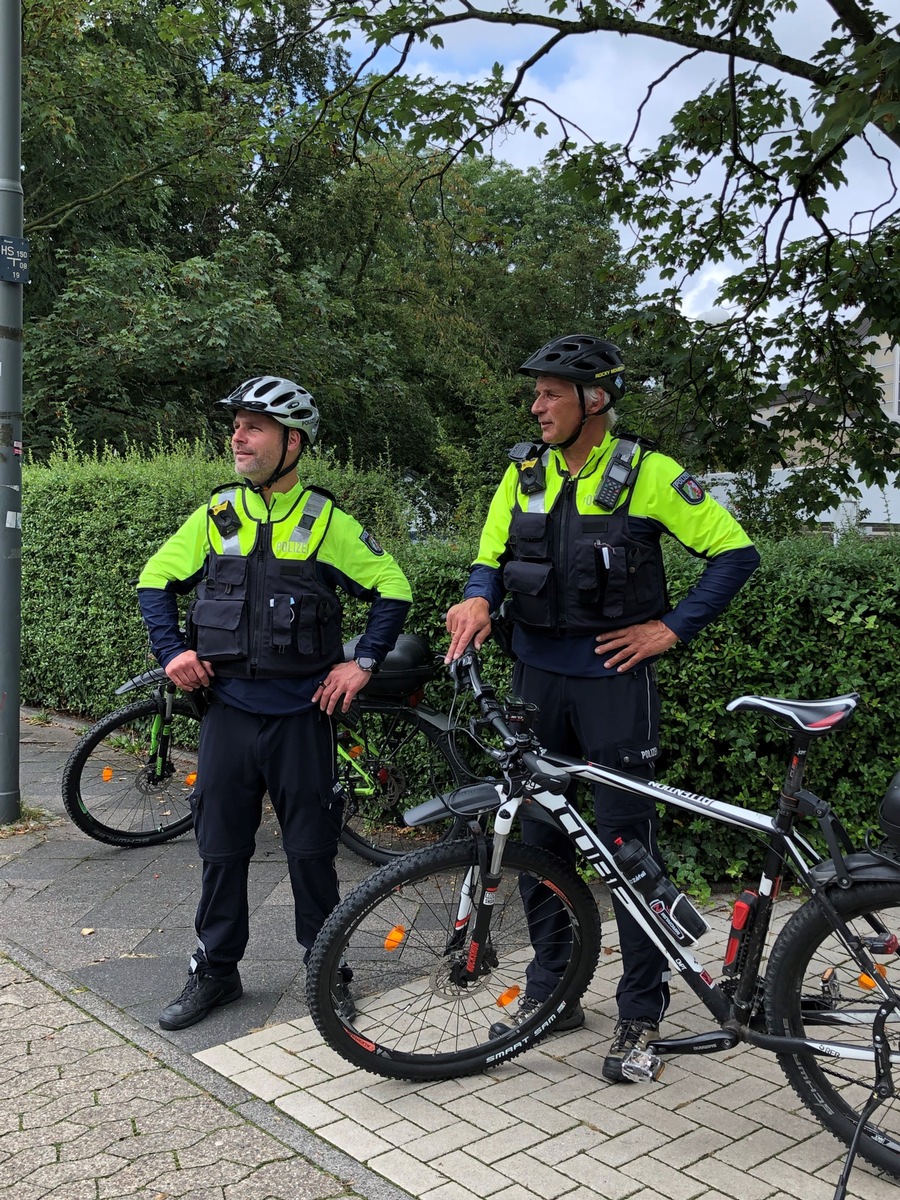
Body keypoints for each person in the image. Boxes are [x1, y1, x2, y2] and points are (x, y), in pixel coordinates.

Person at [445, 334, 759, 1082]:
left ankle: (641, 1014)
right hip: (536, 681)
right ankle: (555, 994)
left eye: (550, 392)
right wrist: (476, 596)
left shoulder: (647, 474)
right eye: (537, 393)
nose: (537, 405)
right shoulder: (522, 473)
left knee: (625, 851)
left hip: (615, 682)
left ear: (595, 398)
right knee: (542, 840)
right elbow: (489, 557)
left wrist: (671, 628)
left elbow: (736, 554)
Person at [137, 375, 412, 1030]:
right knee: (220, 849)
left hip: (301, 717)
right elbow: (154, 580)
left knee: (312, 852)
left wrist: (362, 663)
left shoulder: (325, 520)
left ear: (293, 442)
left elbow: (392, 586)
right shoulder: (216, 515)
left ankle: (327, 973)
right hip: (228, 713)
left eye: (253, 426)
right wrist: (171, 651)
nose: (238, 436)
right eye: (236, 425)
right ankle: (215, 973)